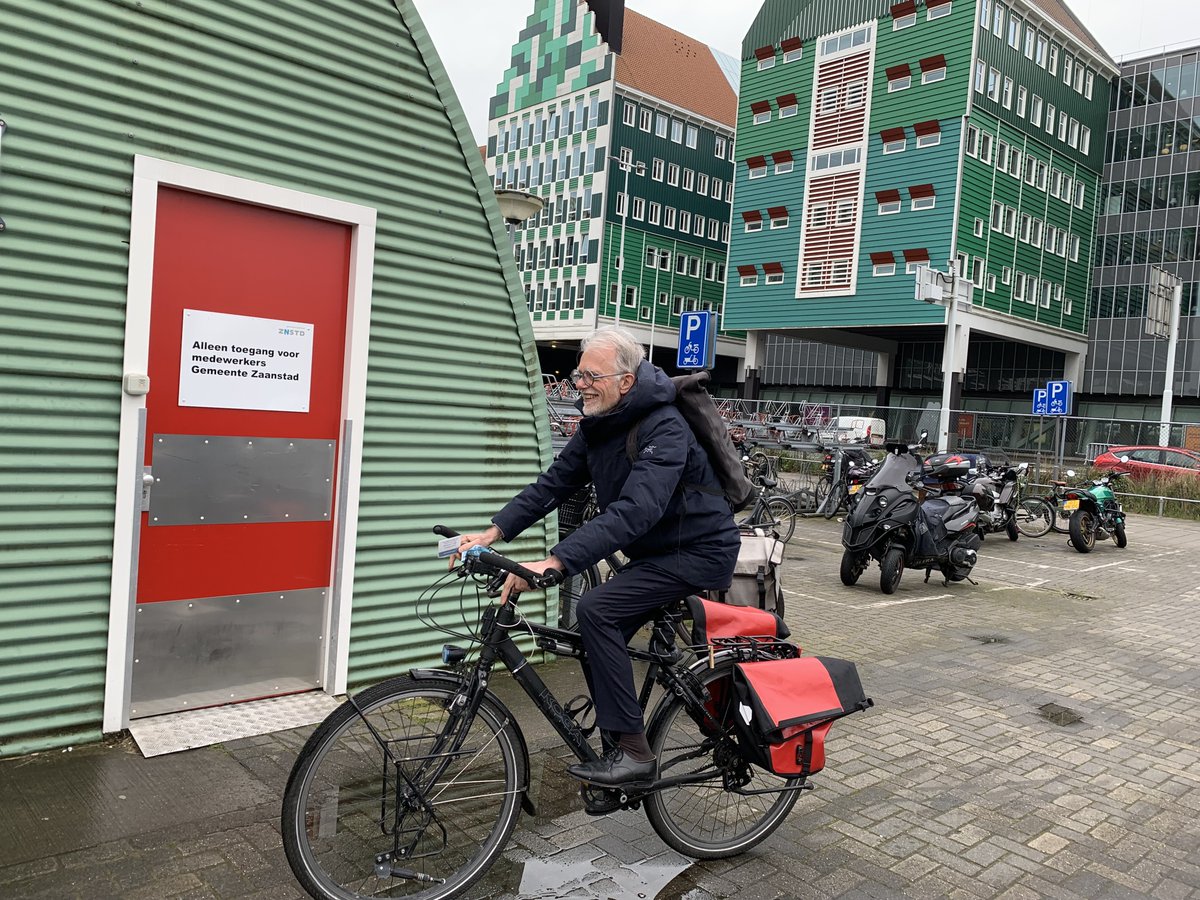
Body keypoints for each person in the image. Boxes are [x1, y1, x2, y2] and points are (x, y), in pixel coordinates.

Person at [457, 326, 740, 788]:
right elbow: (553, 484)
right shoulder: (599, 424)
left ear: (625, 382)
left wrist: (555, 561)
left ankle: (635, 756)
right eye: (578, 374)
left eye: (592, 376)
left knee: (596, 609)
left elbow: (637, 510)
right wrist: (493, 531)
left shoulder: (665, 426)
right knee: (591, 632)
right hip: (655, 553)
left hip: (699, 552)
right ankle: (618, 739)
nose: (580, 384)